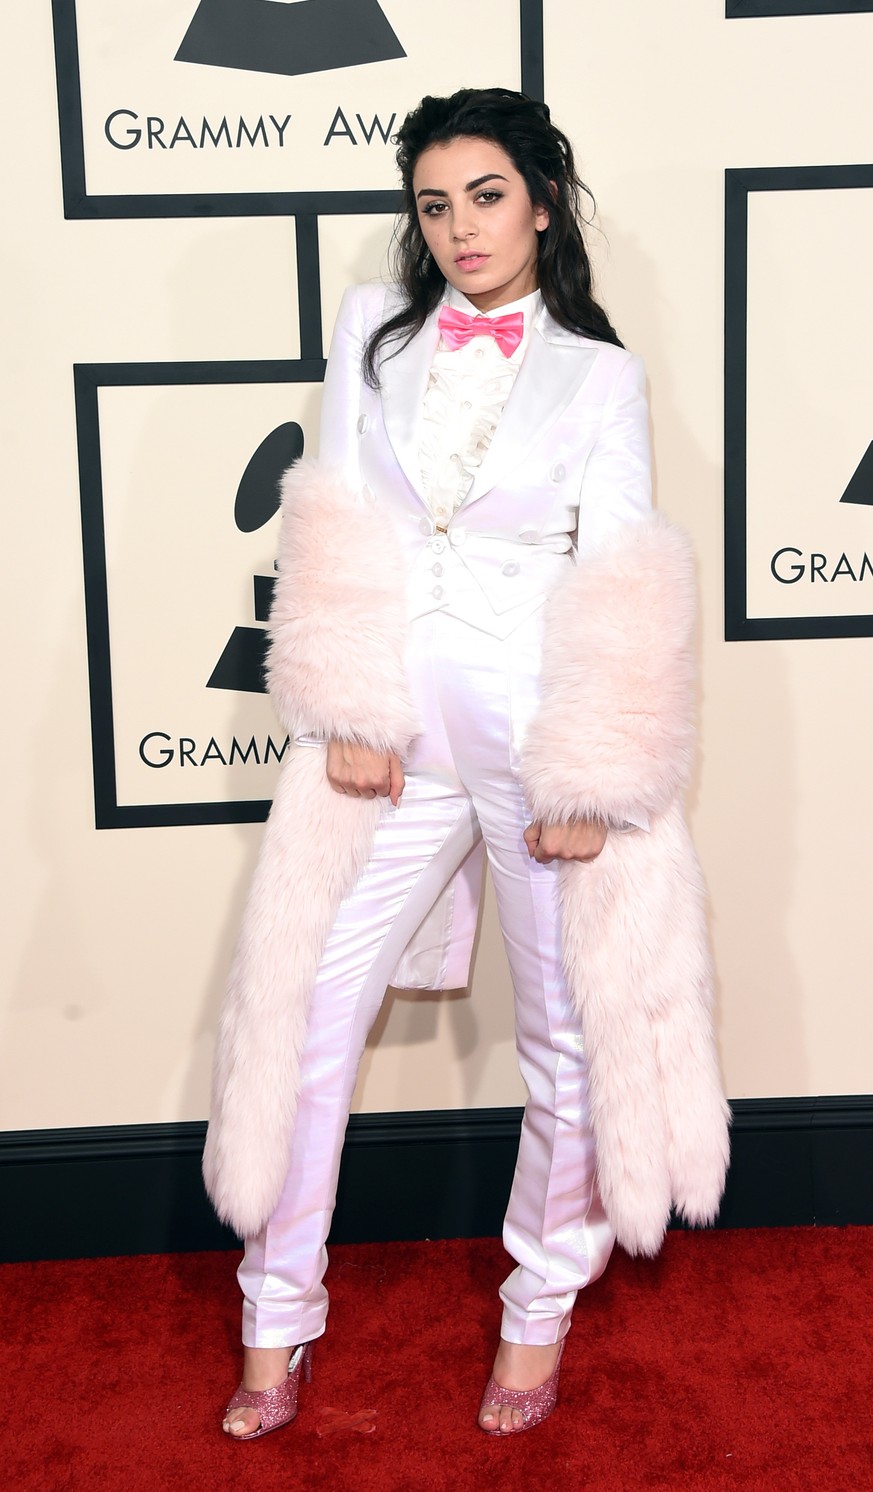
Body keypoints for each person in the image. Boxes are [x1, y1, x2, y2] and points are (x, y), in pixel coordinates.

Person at [203, 87, 729, 1441]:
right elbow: (329, 517)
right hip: (385, 727)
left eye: (484, 195)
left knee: (561, 1042)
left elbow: (621, 566)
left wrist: (590, 779)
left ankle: (535, 1309)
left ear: (540, 202)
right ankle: (275, 1319)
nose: (458, 227)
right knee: (302, 1016)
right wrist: (344, 701)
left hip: (533, 729)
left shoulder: (598, 374)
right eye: (434, 203)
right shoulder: (367, 342)